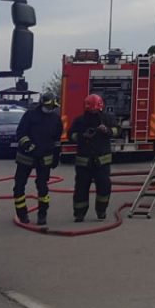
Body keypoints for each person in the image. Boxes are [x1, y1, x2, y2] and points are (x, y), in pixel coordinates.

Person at [12, 92, 63, 225]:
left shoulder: (56, 119)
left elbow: (57, 140)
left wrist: (56, 156)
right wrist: (27, 144)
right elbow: (20, 132)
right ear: (42, 104)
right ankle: (22, 213)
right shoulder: (30, 115)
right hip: (26, 157)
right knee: (19, 186)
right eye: (49, 106)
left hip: (44, 158)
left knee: (42, 187)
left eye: (53, 106)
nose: (50, 108)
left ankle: (42, 214)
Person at [68, 94, 119, 222]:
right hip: (84, 163)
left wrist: (106, 130)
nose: (93, 111)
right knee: (81, 189)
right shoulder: (80, 120)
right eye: (91, 109)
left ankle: (101, 211)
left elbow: (117, 131)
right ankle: (79, 213)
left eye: (95, 109)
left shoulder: (107, 119)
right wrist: (82, 136)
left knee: (104, 188)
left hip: (102, 162)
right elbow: (71, 135)